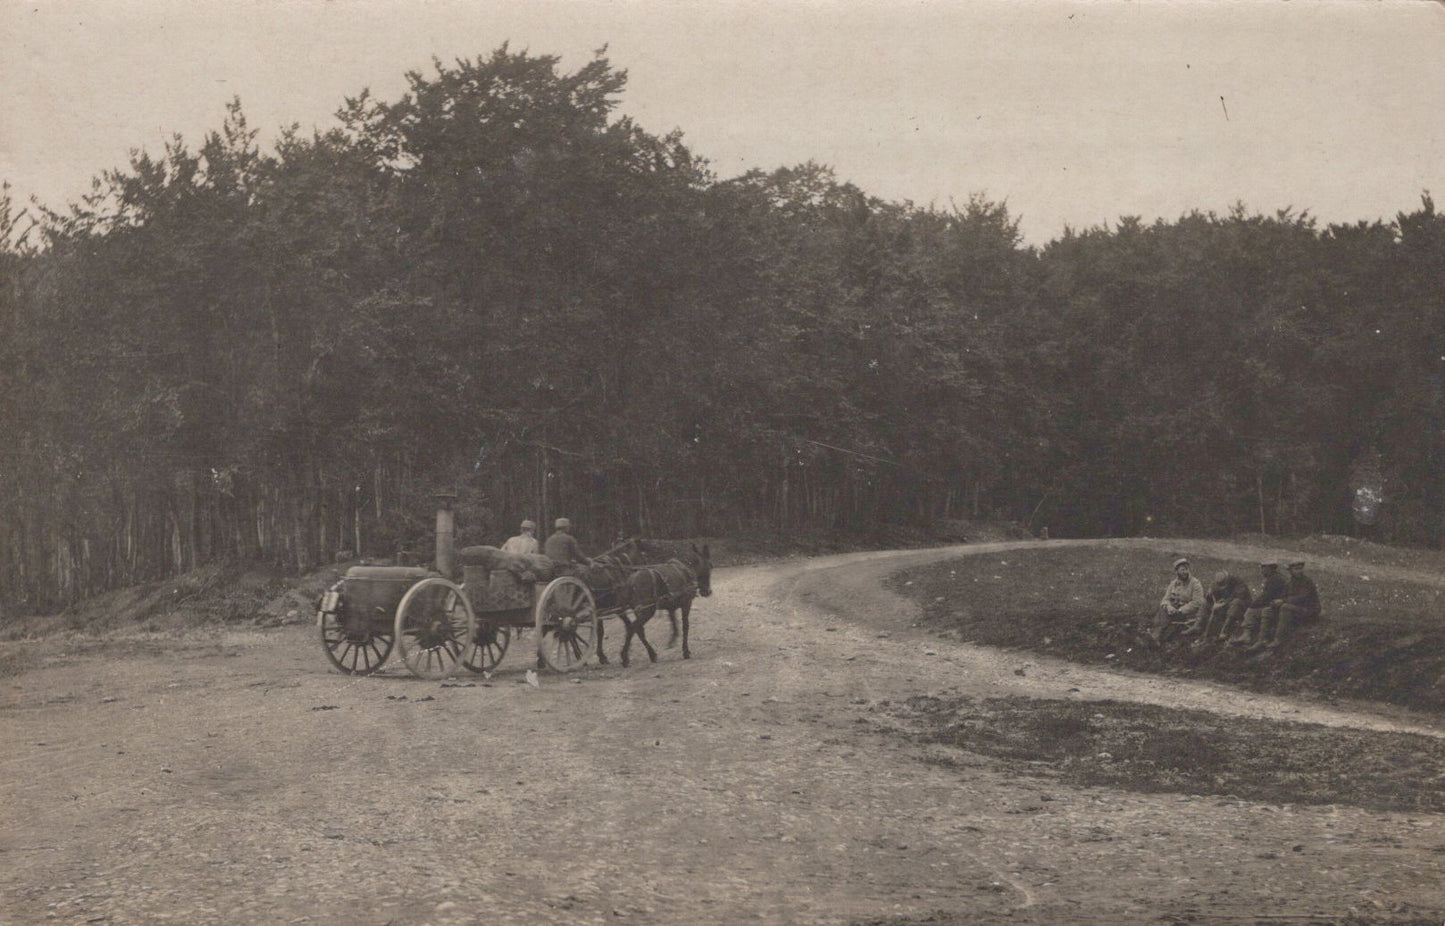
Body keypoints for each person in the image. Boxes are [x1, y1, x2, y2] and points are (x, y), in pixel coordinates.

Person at [1230, 560, 1288, 650]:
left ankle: (1260, 639)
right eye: (1262, 568)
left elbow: (1266, 596)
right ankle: (1247, 635)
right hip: (1273, 604)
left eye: (1264, 568)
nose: (1262, 570)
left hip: (1277, 606)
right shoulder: (1273, 578)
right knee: (1252, 611)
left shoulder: (1276, 579)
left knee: (1253, 610)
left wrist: (1253, 604)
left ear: (1271, 569)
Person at [1267, 560, 1321, 650]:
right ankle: (1264, 639)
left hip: (1309, 610)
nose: (1299, 571)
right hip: (1297, 609)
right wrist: (1276, 602)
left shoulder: (1307, 582)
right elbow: (1283, 596)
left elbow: (1302, 598)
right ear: (1290, 571)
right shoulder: (1289, 582)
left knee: (1284, 607)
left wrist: (1283, 601)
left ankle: (1278, 639)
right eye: (1296, 569)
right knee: (1268, 610)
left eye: (1300, 569)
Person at [1149, 557, 1204, 645]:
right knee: (1163, 609)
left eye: (1186, 569)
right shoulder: (1173, 583)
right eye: (1182, 570)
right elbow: (1165, 599)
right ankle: (1157, 635)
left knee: (1163, 617)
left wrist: (1180, 610)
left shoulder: (1195, 584)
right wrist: (1169, 607)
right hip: (1174, 610)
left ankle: (1156, 635)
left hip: (1187, 612)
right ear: (1177, 572)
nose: (1185, 572)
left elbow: (1197, 602)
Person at [1195, 570, 1252, 645]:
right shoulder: (1216, 583)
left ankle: (1225, 630)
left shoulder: (1238, 582)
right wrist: (1209, 594)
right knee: (1205, 603)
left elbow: (1239, 596)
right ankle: (1198, 626)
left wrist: (1224, 603)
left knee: (1236, 603)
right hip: (1227, 606)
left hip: (1242, 608)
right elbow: (1211, 598)